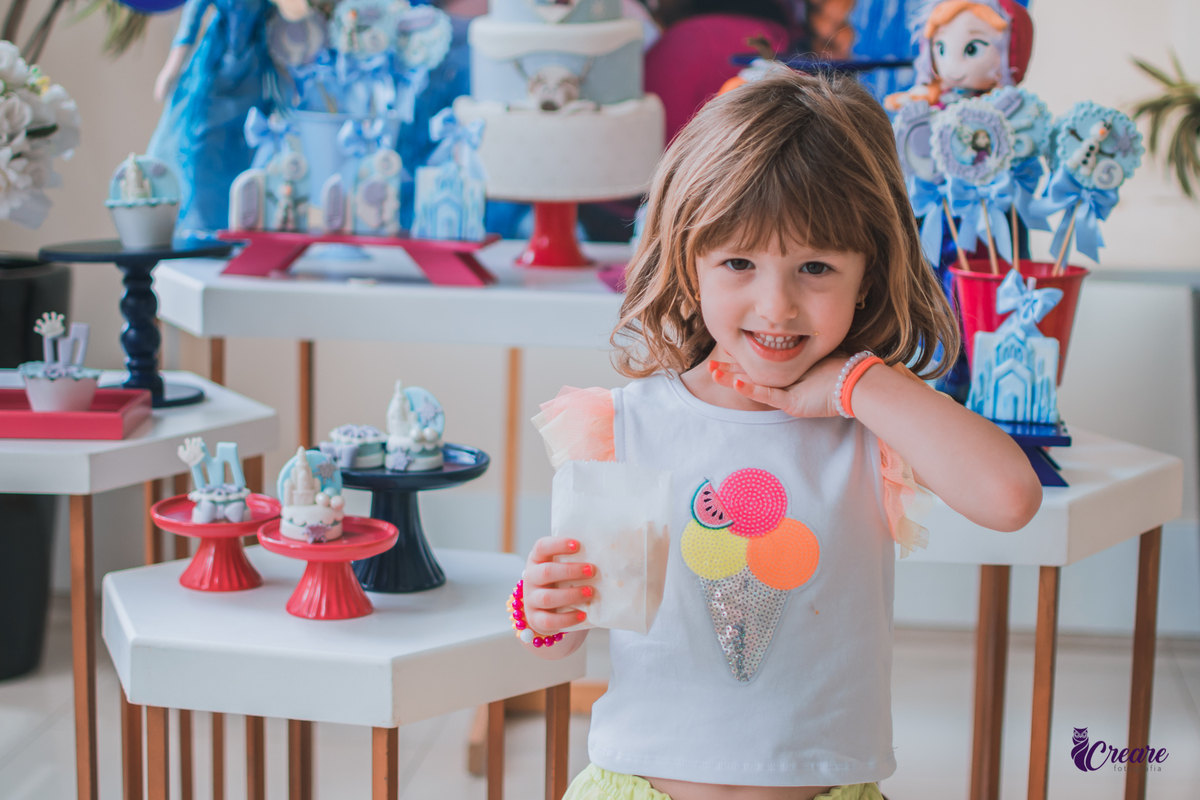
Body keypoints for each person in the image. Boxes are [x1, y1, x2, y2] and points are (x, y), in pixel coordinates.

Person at [518, 71, 1042, 800]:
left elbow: (1011, 497)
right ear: (688, 260)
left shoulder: (869, 425)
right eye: (738, 262)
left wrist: (860, 385)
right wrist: (545, 609)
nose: (777, 304)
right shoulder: (624, 425)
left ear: (868, 275)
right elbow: (576, 624)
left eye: (816, 267)